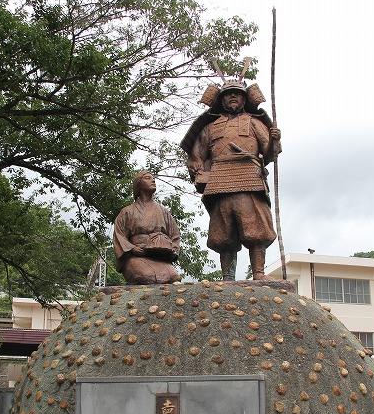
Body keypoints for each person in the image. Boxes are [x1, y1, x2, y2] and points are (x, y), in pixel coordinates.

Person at [181, 78, 281, 280]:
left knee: (256, 230)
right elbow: (196, 156)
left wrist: (274, 140)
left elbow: (270, 154)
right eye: (228, 94)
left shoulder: (254, 123)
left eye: (237, 93)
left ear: (244, 98)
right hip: (220, 182)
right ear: (221, 99)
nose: (233, 96)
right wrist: (198, 170)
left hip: (249, 180)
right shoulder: (211, 127)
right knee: (223, 234)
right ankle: (227, 276)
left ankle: (259, 273)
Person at [113, 171, 182, 284]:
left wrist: (171, 251)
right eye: (147, 178)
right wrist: (132, 248)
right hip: (136, 256)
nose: (153, 180)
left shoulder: (163, 211)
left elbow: (175, 235)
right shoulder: (127, 211)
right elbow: (119, 235)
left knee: (174, 278)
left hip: (160, 256)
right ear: (139, 184)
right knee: (146, 277)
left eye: (153, 178)